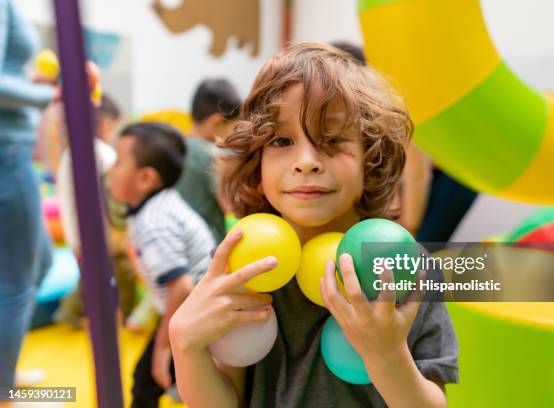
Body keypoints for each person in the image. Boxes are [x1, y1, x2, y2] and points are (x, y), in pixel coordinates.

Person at [169, 43, 458, 407]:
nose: (306, 161)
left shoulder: (403, 267)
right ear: (257, 165)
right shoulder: (242, 263)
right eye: (282, 140)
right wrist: (184, 345)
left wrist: (388, 358)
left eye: (333, 140)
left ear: (371, 160)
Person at [108, 122, 216, 407]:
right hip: (193, 307)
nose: (110, 169)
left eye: (118, 162)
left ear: (145, 179)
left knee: (146, 383)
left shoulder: (154, 222)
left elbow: (181, 284)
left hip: (196, 312)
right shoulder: (155, 205)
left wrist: (163, 348)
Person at [331, 41, 477, 241]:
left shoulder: (390, 102)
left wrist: (409, 225)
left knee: (418, 246)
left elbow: (417, 173)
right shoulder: (348, 108)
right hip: (427, 174)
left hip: (454, 174)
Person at [0, 0, 56, 402]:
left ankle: (5, 369)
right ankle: (3, 388)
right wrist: (51, 94)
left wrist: (32, 83)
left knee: (41, 258)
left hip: (12, 148)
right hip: (7, 149)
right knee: (16, 282)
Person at [54, 93, 137, 328]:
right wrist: (124, 229)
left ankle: (68, 312)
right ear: (106, 124)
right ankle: (128, 317)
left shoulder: (69, 154)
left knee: (88, 278)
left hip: (76, 234)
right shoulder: (102, 153)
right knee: (123, 275)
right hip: (103, 236)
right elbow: (115, 200)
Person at [175, 78, 241, 243]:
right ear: (216, 121)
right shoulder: (210, 154)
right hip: (206, 243)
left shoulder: (176, 147)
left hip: (180, 240)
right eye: (234, 127)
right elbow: (231, 206)